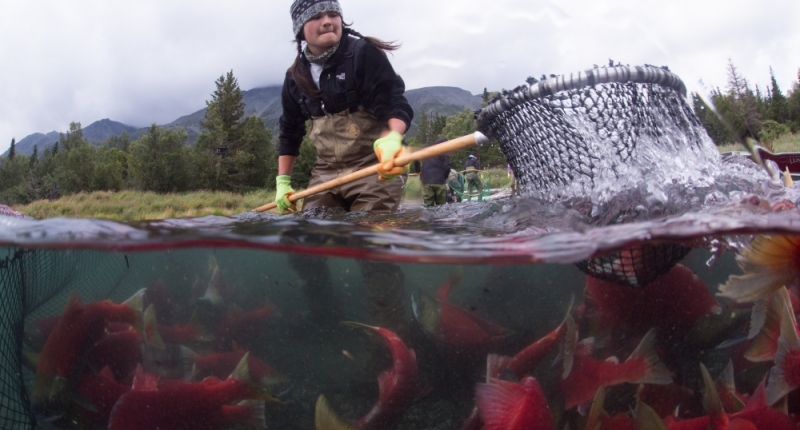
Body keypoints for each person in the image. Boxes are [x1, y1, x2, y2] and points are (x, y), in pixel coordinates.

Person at [274, 0, 414, 333]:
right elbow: (289, 132)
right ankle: (325, 315)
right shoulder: (294, 78)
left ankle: (394, 335)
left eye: (332, 14)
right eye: (317, 17)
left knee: (372, 248)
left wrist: (393, 138)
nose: (327, 21)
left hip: (375, 166)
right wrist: (283, 181)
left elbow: (396, 102)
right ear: (300, 30)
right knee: (304, 245)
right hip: (325, 174)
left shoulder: (363, 54)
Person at [419, 137, 451, 207]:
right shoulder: (444, 152)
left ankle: (428, 217)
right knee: (441, 207)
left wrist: (418, 172)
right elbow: (447, 167)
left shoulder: (427, 151)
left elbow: (416, 159)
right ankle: (440, 218)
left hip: (426, 180)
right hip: (439, 181)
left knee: (428, 206)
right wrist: (443, 177)